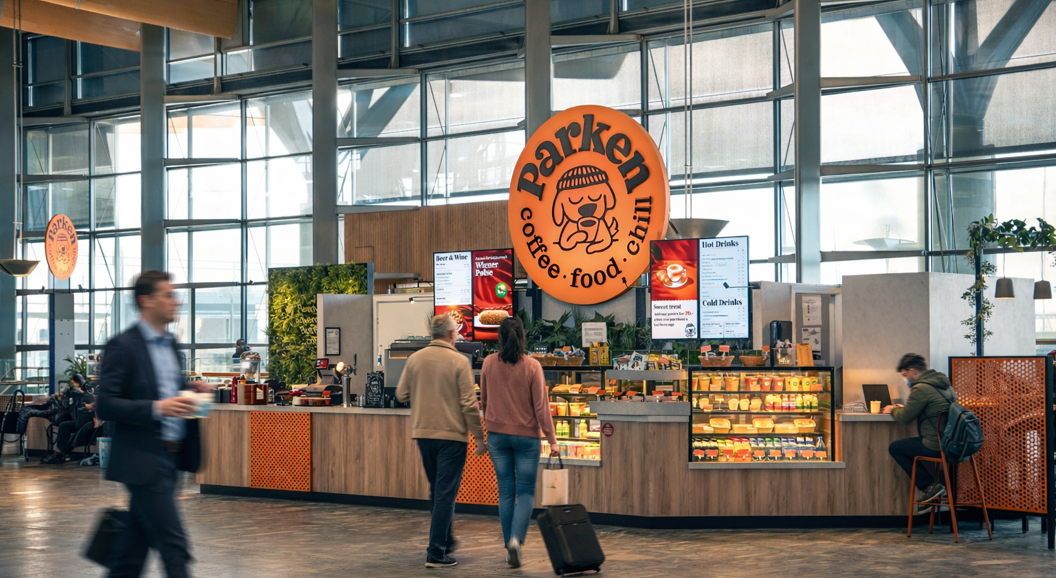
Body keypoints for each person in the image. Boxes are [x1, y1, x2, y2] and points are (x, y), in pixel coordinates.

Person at [95, 271, 212, 578]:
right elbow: (106, 404)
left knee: (130, 555)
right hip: (143, 460)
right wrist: (158, 408)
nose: (176, 302)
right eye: (168, 295)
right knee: (175, 548)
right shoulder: (123, 346)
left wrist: (190, 388)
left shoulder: (170, 344)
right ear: (146, 300)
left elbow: (161, 386)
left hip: (172, 459)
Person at [396, 313, 486, 569]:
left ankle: (446, 539)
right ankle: (435, 552)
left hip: (423, 434)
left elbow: (402, 394)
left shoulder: (415, 359)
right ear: (450, 335)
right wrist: (479, 438)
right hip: (451, 437)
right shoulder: (459, 361)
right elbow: (469, 405)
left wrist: (424, 391)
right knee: (445, 494)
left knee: (437, 490)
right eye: (456, 332)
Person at [479, 317, 559, 568]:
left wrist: (493, 420)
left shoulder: (489, 363)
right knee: (525, 492)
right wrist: (552, 440)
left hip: (496, 437)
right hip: (527, 438)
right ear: (523, 337)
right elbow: (541, 408)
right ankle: (516, 540)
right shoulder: (533, 366)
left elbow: (484, 400)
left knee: (505, 491)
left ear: (499, 338)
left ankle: (508, 546)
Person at [883, 353, 955, 512]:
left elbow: (905, 418)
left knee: (895, 448)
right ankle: (933, 487)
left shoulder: (921, 388)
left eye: (905, 375)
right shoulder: (945, 385)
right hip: (951, 443)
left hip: (935, 445)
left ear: (913, 371)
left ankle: (930, 486)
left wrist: (892, 409)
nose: (905, 380)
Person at [40, 374, 97, 464]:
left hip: (86, 420)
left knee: (77, 425)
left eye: (74, 382)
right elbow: (66, 406)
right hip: (78, 419)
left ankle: (61, 452)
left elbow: (89, 404)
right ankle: (60, 451)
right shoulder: (74, 392)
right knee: (64, 425)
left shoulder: (87, 393)